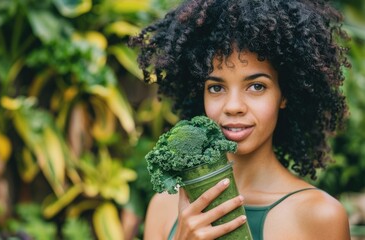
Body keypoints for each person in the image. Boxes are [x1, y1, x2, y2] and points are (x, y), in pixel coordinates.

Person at [129, 0, 352, 239]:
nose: (233, 106)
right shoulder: (164, 208)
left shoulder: (319, 217)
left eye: (256, 86)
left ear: (284, 94)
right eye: (216, 88)